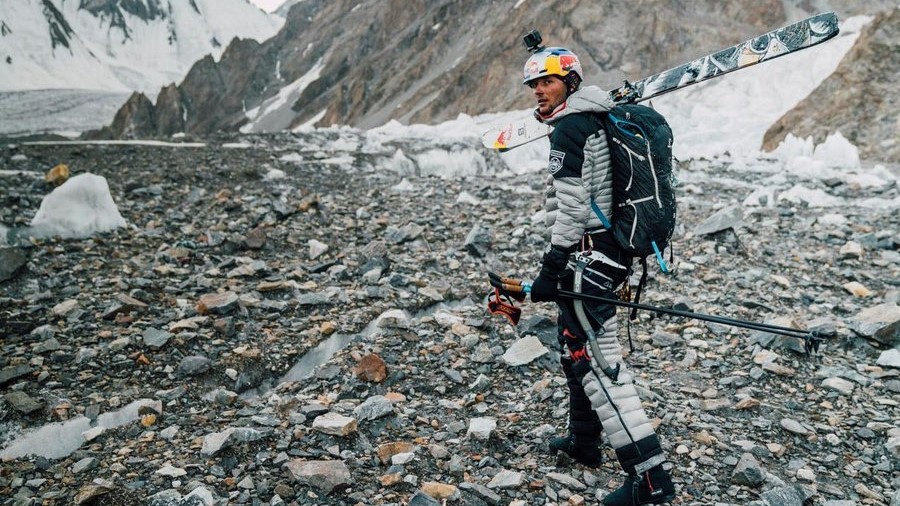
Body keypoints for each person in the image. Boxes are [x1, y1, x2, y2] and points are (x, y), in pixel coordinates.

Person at [522, 45, 676, 505]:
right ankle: (585, 442)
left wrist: (550, 271)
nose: (537, 91)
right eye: (533, 84)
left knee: (600, 364)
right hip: (609, 254)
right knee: (574, 349)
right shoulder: (596, 117)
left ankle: (651, 482)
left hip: (588, 258)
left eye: (546, 82)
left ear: (569, 82)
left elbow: (571, 209)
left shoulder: (569, 129)